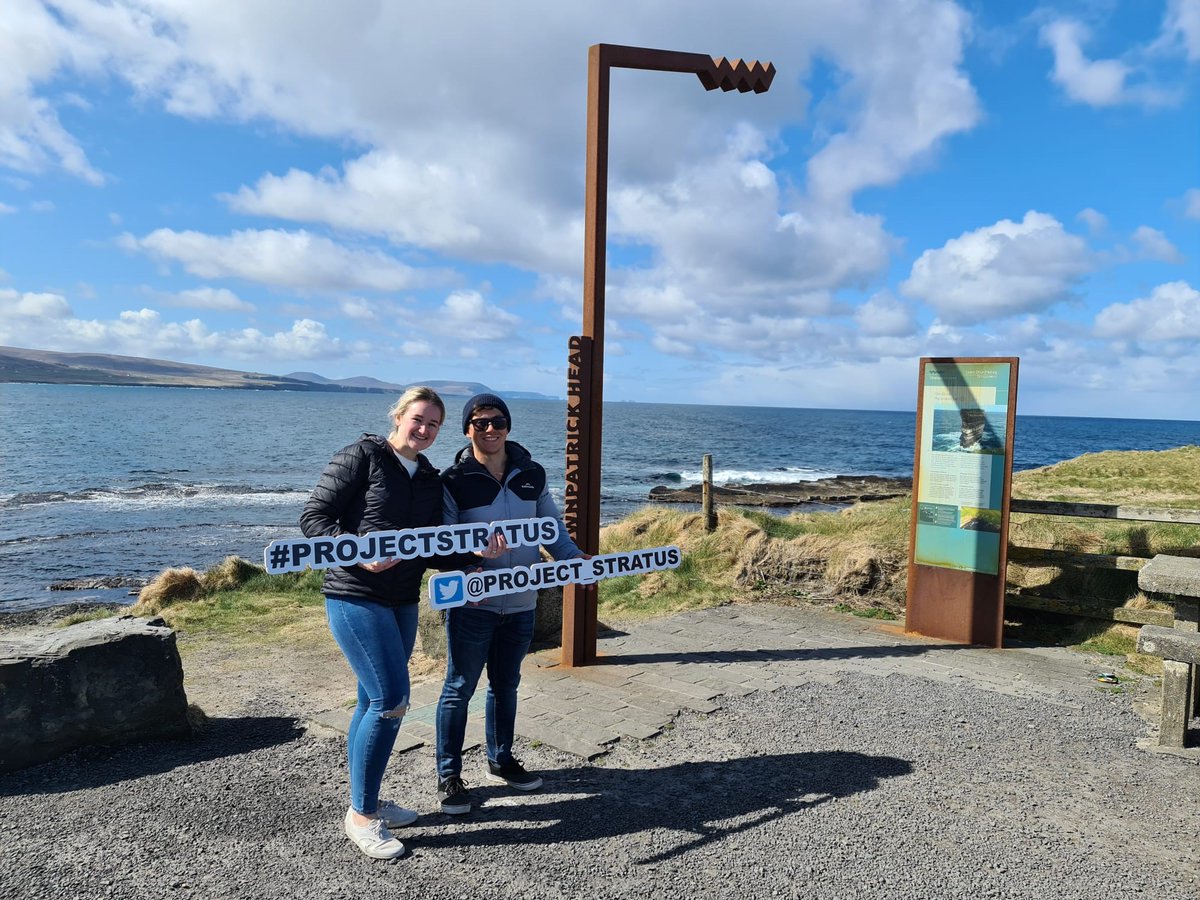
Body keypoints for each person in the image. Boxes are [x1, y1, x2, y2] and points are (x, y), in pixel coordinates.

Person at [299, 387, 471, 859]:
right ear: (398, 416)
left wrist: (477, 557)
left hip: (403, 602)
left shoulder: (430, 478)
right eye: (418, 418)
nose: (425, 429)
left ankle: (366, 801)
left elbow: (434, 548)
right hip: (355, 596)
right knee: (392, 701)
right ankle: (361, 817)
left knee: (369, 702)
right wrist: (356, 550)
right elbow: (314, 517)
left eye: (434, 424)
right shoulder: (363, 455)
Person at [434, 393, 588, 815]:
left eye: (497, 421)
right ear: (467, 429)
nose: (490, 429)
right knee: (458, 688)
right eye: (480, 423)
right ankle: (449, 775)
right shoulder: (453, 480)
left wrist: (575, 563)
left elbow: (551, 528)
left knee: (506, 685)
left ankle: (501, 760)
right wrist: (472, 564)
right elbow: (444, 545)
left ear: (508, 426)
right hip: (473, 605)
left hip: (522, 602)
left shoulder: (531, 474)